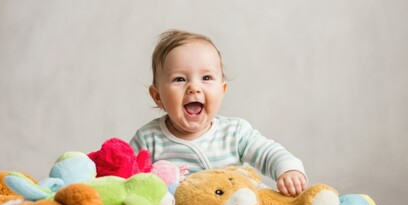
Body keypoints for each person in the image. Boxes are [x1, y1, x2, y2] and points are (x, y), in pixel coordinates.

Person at [130, 29, 307, 196]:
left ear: (222, 90)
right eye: (180, 79)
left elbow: (269, 153)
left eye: (206, 78)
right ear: (158, 96)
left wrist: (288, 169)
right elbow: (124, 177)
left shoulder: (235, 132)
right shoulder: (148, 139)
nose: (194, 88)